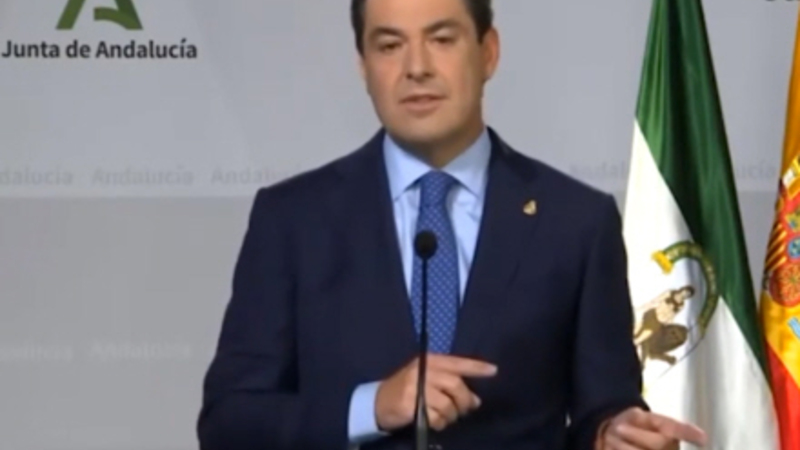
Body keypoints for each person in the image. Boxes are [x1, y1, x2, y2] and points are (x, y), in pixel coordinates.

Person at [196, 0, 709, 449]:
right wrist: (372, 406)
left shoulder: (576, 221)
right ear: (363, 66)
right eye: (389, 46)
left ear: (488, 52)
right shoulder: (293, 221)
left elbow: (605, 408)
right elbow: (229, 422)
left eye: (441, 40)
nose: (416, 68)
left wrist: (611, 437)